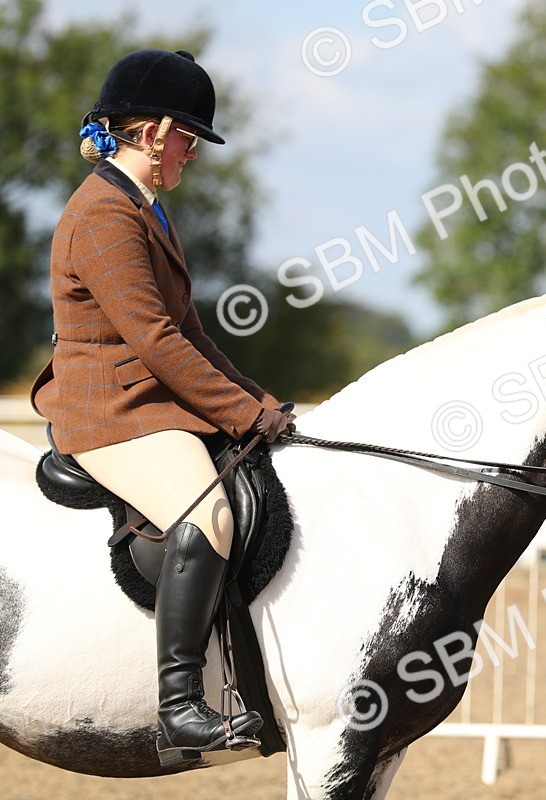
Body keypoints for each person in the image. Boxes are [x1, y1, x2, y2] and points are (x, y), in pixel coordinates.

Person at [29, 48, 295, 766]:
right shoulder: (104, 216)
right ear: (152, 132)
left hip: (144, 397)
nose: (192, 153)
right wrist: (240, 416)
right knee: (207, 508)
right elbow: (151, 339)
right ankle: (179, 707)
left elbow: (191, 333)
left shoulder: (144, 209)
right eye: (188, 138)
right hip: (109, 409)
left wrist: (256, 401)